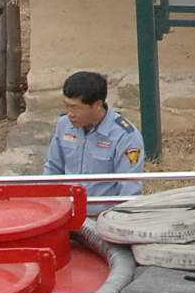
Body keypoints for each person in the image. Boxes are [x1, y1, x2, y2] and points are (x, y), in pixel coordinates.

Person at [43, 71, 144, 199]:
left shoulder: (125, 137)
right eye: (67, 106)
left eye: (75, 107)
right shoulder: (64, 124)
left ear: (97, 105)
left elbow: (129, 191)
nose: (70, 113)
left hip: (101, 214)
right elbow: (53, 170)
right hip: (67, 209)